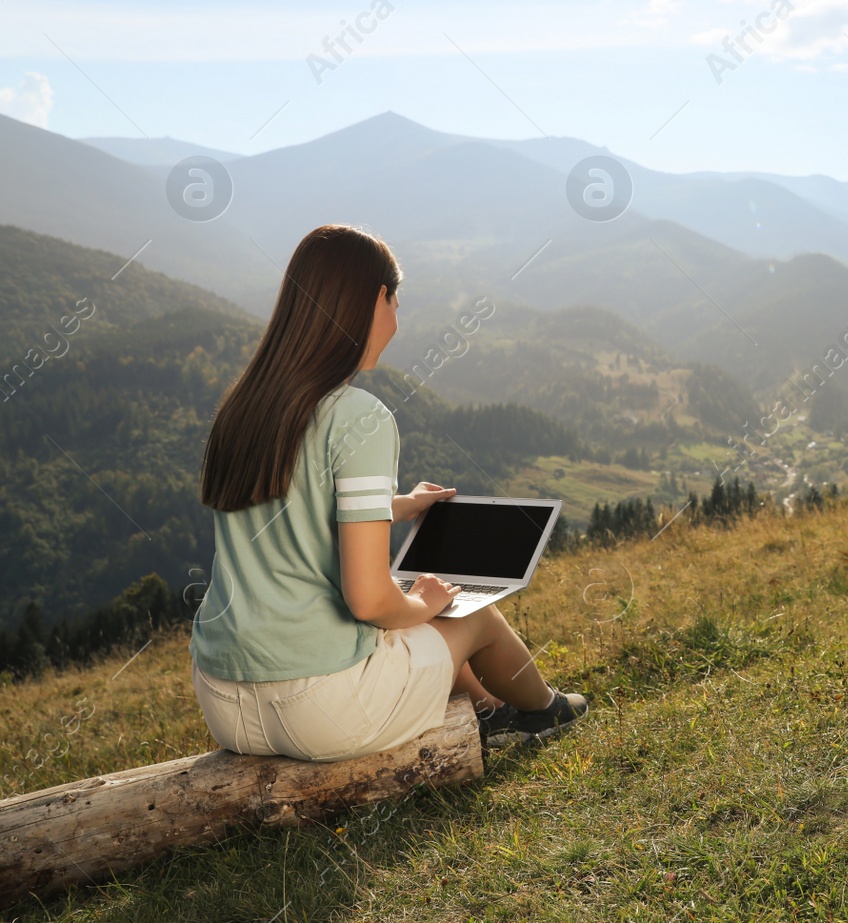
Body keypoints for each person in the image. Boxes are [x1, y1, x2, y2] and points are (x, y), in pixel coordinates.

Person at [189, 224, 584, 762]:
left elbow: (292, 506)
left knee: (417, 630)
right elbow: (370, 601)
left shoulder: (244, 410)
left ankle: (490, 709)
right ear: (377, 297)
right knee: (471, 617)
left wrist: (397, 507)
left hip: (224, 702)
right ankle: (547, 711)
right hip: (318, 709)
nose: (397, 316)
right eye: (396, 299)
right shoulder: (359, 416)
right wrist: (426, 601)